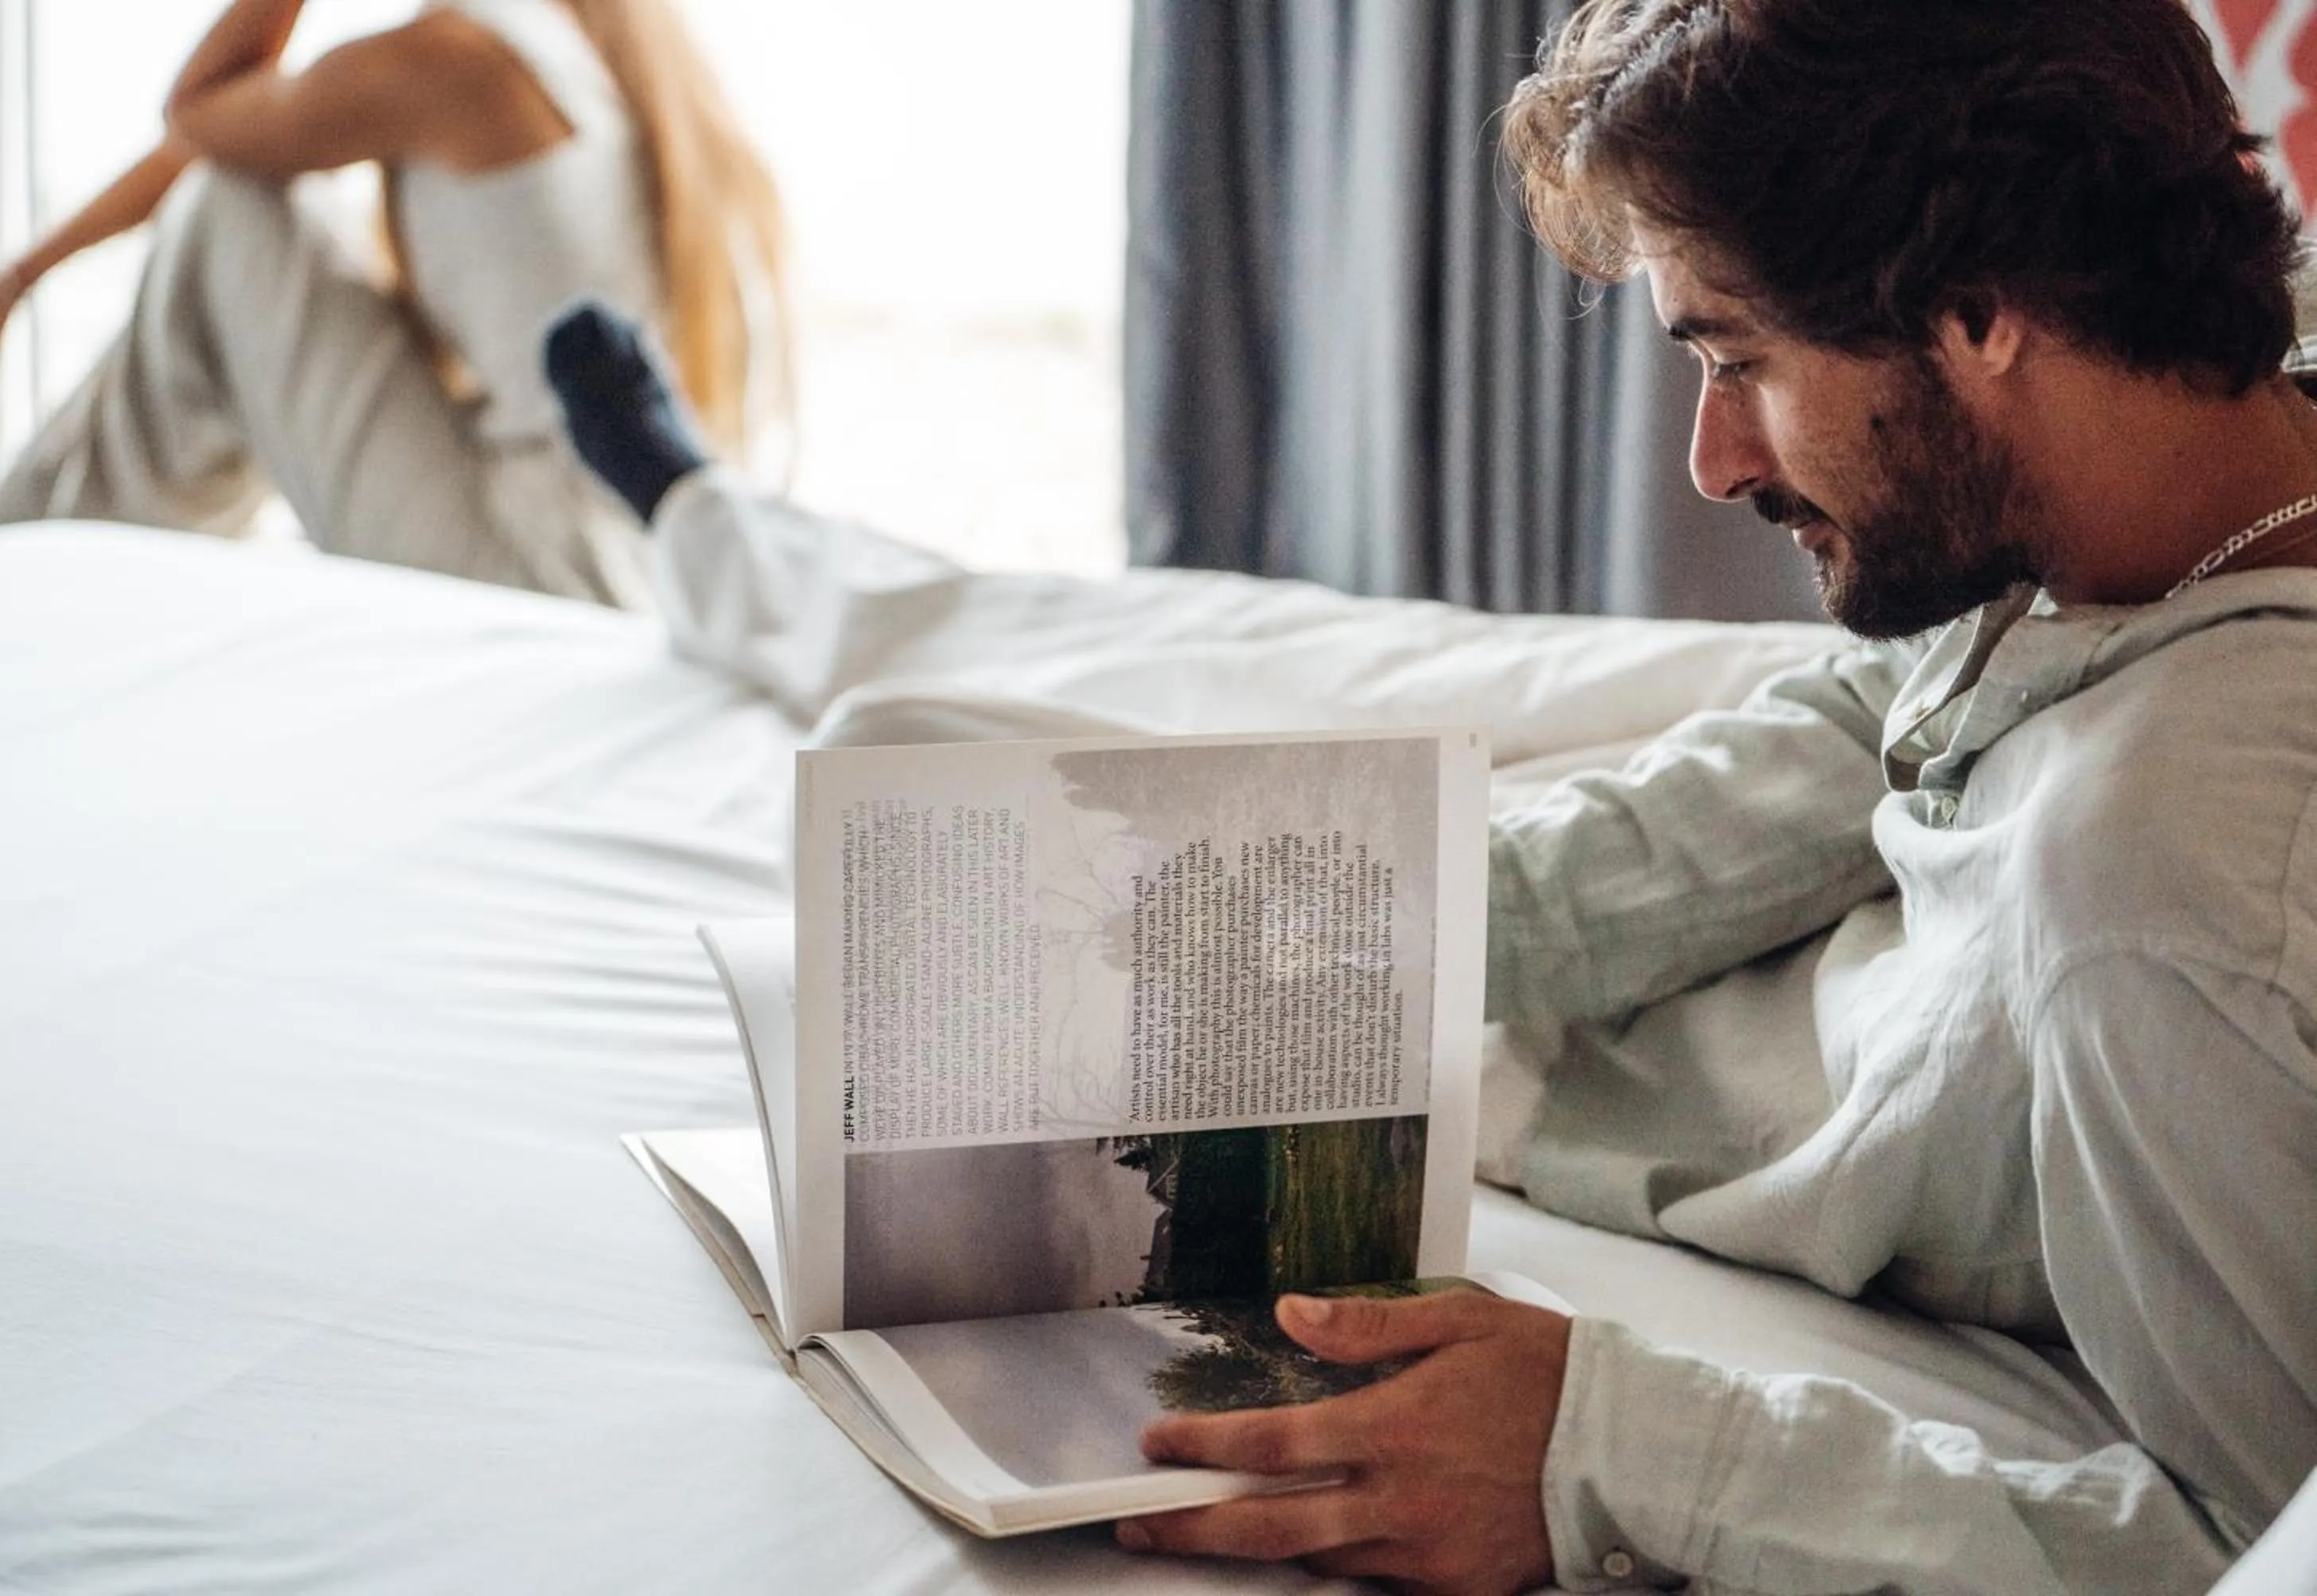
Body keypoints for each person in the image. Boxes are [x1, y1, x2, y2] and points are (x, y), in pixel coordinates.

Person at [544, 0, 2317, 1586]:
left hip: (1692, 1057)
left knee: (950, 738)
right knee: (1014, 722)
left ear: (1983, 311)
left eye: (1737, 362)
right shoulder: (2190, 442)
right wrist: (1413, 918)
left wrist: (1604, 1445)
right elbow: (1871, 714)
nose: (1712, 462)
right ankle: (726, 544)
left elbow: (2252, 1534)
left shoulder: (2156, 909)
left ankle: (712, 541)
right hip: (1764, 856)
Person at [0, 0, 785, 608]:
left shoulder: (459, 61)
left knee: (229, 215)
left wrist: (10, 285)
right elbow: (248, 133)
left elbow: (203, 118)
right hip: (636, 565)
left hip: (540, 574)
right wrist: (10, 284)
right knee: (251, 210)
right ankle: (65, 548)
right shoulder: (592, 50)